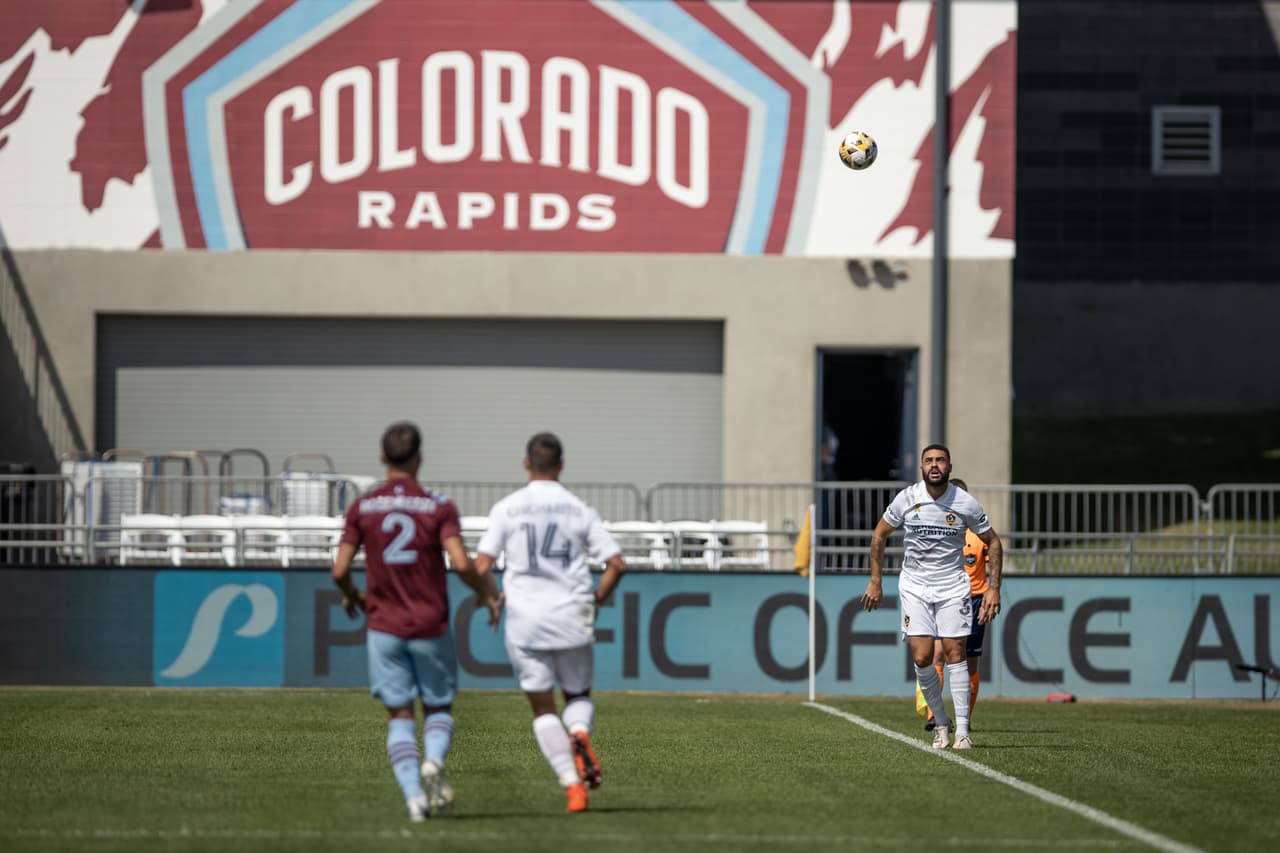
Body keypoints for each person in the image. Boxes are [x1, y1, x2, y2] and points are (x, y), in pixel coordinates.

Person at [331, 421, 502, 822]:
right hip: (430, 625)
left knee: (399, 715)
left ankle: (414, 799)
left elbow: (339, 569)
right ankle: (435, 761)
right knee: (438, 707)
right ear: (419, 458)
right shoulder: (438, 505)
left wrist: (354, 595)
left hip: (384, 627)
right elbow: (460, 562)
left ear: (381, 457)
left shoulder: (361, 507)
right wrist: (485, 592)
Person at [473, 432, 626, 813]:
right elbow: (617, 564)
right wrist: (598, 600)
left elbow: (481, 565)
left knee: (543, 710)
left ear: (526, 463)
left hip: (525, 617)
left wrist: (493, 599)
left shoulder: (507, 508)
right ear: (561, 465)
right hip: (573, 612)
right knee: (577, 695)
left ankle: (572, 785)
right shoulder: (579, 509)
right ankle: (578, 733)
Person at [861, 445, 1003, 750]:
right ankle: (941, 723)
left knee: (955, 654)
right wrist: (875, 580)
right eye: (929, 461)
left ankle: (963, 731)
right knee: (923, 656)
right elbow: (879, 534)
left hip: (952, 585)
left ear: (950, 466)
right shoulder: (908, 498)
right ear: (922, 468)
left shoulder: (965, 502)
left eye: (940, 460)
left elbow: (993, 542)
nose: (934, 465)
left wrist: (993, 587)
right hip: (914, 585)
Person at [915, 478, 991, 732]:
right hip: (944, 597)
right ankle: (933, 714)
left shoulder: (979, 534)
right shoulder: (934, 528)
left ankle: (964, 719)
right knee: (936, 654)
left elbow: (994, 558)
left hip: (974, 599)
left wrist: (993, 591)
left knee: (968, 662)